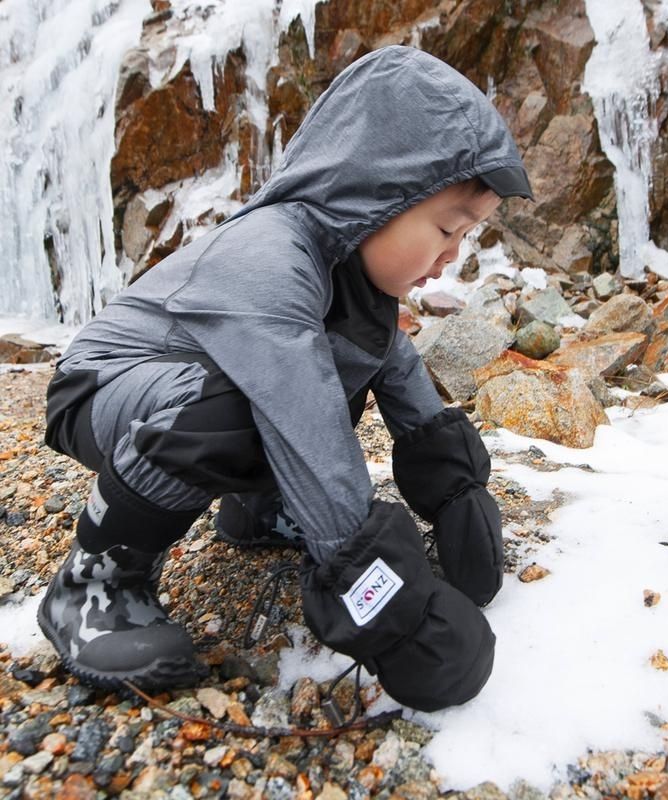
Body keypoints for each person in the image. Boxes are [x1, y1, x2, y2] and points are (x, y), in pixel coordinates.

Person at [39, 45, 533, 711]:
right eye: (447, 227)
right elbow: (306, 425)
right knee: (257, 404)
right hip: (103, 386)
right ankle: (94, 583)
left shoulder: (358, 287)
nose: (450, 257)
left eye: (465, 237)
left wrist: (460, 498)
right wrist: (388, 607)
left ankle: (257, 513)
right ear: (375, 194)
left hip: (200, 385)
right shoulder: (270, 257)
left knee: (332, 371)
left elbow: (409, 392)